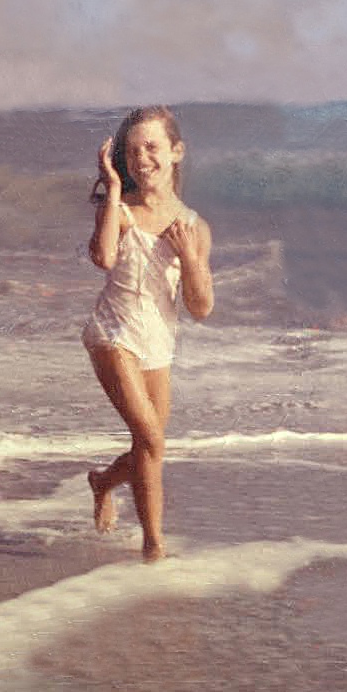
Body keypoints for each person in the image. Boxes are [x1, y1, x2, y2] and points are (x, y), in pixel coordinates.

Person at [81, 106, 214, 561]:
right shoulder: (120, 211)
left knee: (147, 446)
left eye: (152, 147)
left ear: (176, 152)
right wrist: (113, 189)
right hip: (113, 333)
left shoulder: (194, 226)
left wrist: (190, 257)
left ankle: (103, 482)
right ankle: (153, 548)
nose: (141, 159)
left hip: (159, 341)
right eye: (132, 151)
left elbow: (201, 308)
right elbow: (103, 258)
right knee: (153, 441)